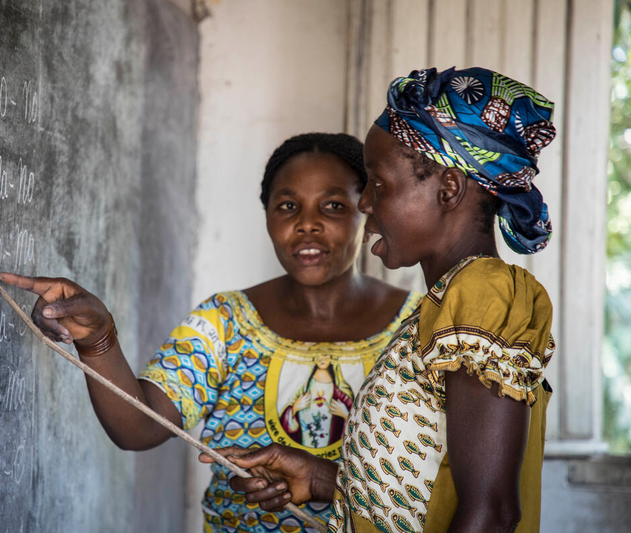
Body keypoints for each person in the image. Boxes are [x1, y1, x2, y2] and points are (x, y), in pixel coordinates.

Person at [0, 132, 422, 532]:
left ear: (366, 210)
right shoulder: (226, 320)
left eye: (332, 206)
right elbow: (138, 428)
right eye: (288, 206)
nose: (307, 224)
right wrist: (98, 339)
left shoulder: (418, 327)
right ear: (268, 217)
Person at [200, 67, 557, 533]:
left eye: (379, 183)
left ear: (447, 189)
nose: (365, 202)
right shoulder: (440, 306)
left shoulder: (482, 292)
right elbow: (422, 485)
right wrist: (322, 477)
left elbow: (491, 512)